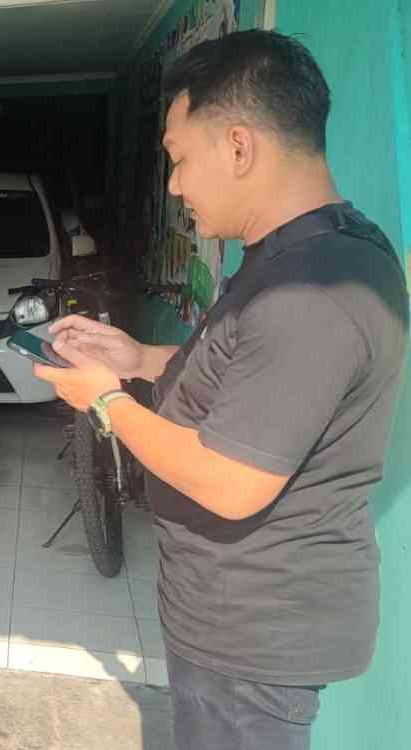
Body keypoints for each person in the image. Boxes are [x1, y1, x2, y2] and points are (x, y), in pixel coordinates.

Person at [34, 31, 408, 750]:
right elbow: (246, 372)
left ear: (238, 147)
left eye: (179, 159)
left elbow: (233, 481)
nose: (174, 186)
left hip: (253, 640)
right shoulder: (303, 253)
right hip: (237, 620)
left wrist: (105, 400)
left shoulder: (311, 292)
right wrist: (139, 357)